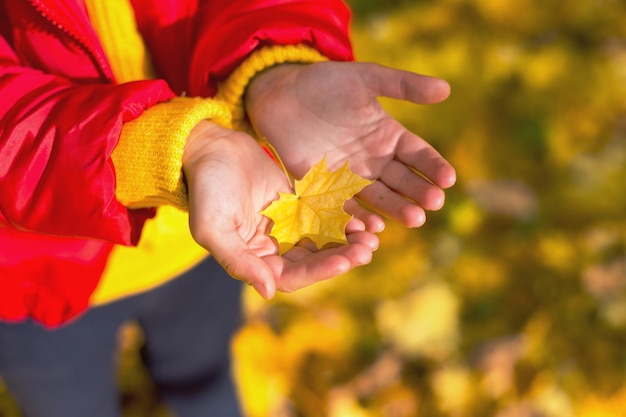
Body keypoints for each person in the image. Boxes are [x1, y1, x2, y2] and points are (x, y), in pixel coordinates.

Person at [0, 0, 456, 416]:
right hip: (35, 276)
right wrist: (166, 149)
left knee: (203, 370)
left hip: (212, 233)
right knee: (67, 404)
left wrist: (275, 66)